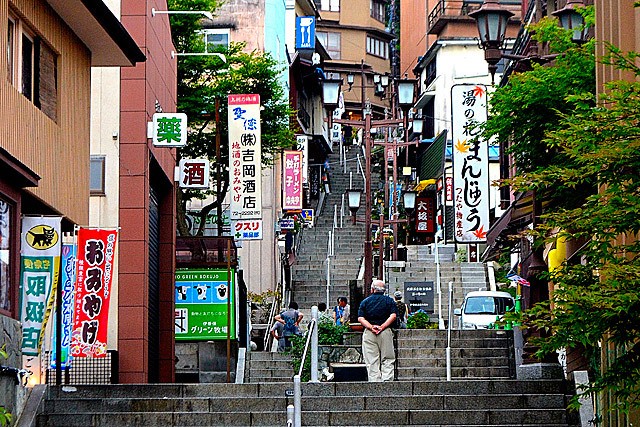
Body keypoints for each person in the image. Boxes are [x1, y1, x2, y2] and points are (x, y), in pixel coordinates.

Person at [358, 279, 398, 382]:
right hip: (385, 332)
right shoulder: (389, 301)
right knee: (388, 358)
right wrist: (382, 326)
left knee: (371, 359)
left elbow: (361, 318)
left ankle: (374, 382)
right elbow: (393, 315)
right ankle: (387, 381)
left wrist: (371, 327)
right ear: (384, 290)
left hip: (369, 332)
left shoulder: (365, 302)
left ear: (372, 289)